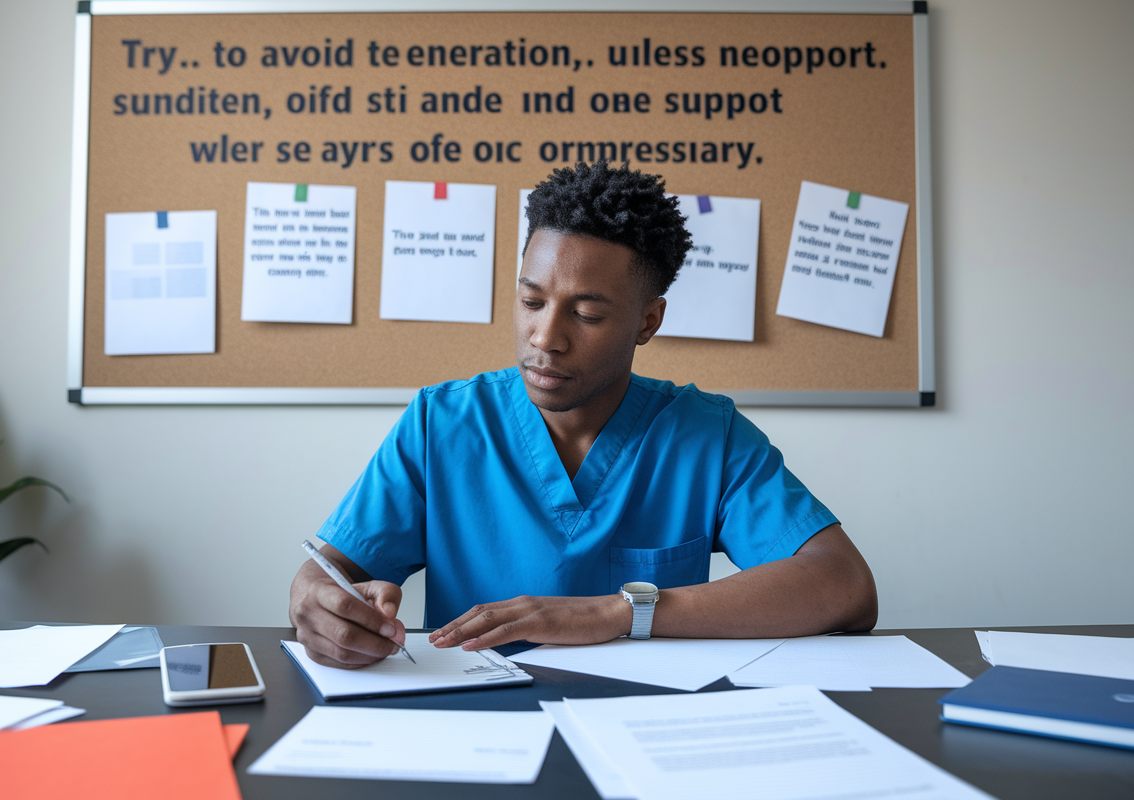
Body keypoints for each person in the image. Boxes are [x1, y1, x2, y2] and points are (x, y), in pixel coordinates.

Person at [290, 161, 878, 669]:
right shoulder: (440, 424)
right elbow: (328, 571)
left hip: (651, 733)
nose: (545, 337)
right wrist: (318, 604)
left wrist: (614, 614)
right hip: (477, 724)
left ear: (648, 322)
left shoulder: (706, 435)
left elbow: (845, 586)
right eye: (531, 301)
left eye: (588, 314)